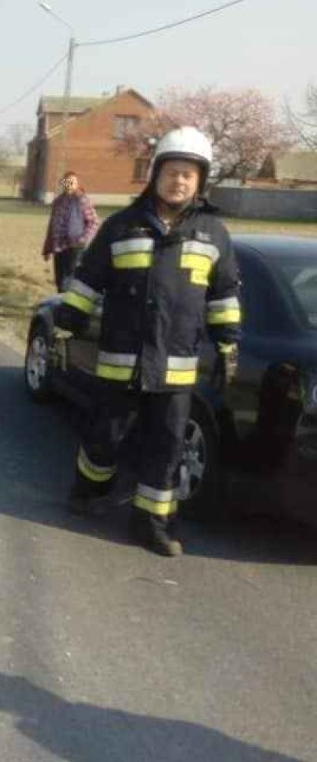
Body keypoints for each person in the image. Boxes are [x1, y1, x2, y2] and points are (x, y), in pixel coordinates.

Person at [55, 127, 242, 557]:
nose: (179, 181)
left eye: (188, 175)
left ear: (200, 182)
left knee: (166, 448)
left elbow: (225, 295)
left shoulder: (214, 233)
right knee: (106, 438)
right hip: (122, 361)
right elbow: (88, 279)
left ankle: (151, 523)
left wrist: (228, 344)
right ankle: (89, 490)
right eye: (172, 171)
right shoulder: (122, 226)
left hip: (175, 368)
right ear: (156, 174)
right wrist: (69, 319)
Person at [42, 171, 99, 291]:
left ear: (76, 184)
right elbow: (52, 225)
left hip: (75, 246)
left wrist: (83, 239)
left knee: (71, 279)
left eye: (72, 182)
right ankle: (60, 301)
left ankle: (69, 305)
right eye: (66, 182)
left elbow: (93, 222)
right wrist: (47, 248)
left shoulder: (82, 200)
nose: (69, 184)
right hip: (59, 247)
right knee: (60, 280)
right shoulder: (58, 202)